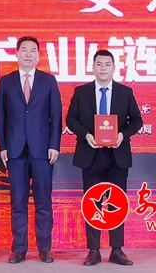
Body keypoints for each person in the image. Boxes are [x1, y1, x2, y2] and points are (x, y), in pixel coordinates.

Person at [65, 49, 143, 266]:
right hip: (91, 154)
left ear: (114, 68)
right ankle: (94, 250)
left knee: (117, 202)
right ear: (93, 67)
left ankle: (117, 250)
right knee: (93, 203)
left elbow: (137, 121)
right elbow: (71, 120)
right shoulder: (81, 92)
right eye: (99, 64)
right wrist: (86, 135)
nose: (103, 68)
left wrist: (122, 135)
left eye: (107, 64)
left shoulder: (125, 92)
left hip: (117, 156)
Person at [0, 36, 62, 264]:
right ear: (16, 54)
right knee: (18, 201)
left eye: (33, 50)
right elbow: (0, 117)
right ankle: (19, 249)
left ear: (38, 56)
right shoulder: (6, 82)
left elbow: (56, 116)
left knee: (43, 201)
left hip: (42, 150)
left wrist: (54, 145)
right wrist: (3, 147)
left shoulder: (48, 81)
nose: (28, 54)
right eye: (24, 50)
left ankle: (45, 248)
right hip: (14, 150)